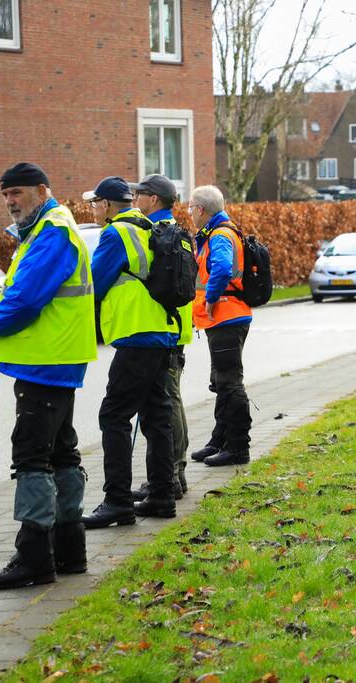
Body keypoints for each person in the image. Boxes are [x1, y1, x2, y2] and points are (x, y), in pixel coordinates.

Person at [0, 162, 97, 589]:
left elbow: (26, 298)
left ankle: (35, 558)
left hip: (47, 359)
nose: (10, 201)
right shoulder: (47, 229)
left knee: (31, 456)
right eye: (6, 195)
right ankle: (69, 549)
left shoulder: (51, 232)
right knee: (60, 453)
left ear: (42, 191)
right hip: (55, 358)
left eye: (17, 193)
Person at [81, 177, 180, 529]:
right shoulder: (148, 226)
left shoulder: (116, 233)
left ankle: (118, 502)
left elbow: (94, 284)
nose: (93, 210)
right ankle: (162, 496)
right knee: (156, 416)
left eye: (95, 203)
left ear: (107, 205)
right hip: (161, 332)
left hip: (136, 335)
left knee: (113, 416)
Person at [128, 174, 192, 502]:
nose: (134, 200)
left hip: (164, 328)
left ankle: (172, 474)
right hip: (177, 326)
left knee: (165, 405)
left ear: (153, 199)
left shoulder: (156, 233)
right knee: (172, 400)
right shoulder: (177, 232)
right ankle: (175, 472)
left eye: (139, 194)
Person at [187, 185, 253, 467]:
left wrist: (211, 299)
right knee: (221, 382)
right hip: (224, 318)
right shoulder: (216, 232)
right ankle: (219, 441)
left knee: (229, 383)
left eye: (191, 207)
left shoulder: (220, 234)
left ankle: (238, 448)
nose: (189, 212)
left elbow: (223, 268)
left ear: (201, 210)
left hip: (226, 316)